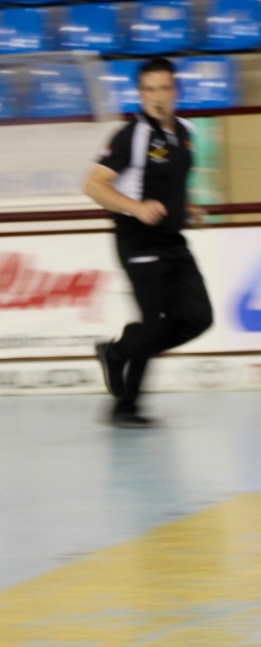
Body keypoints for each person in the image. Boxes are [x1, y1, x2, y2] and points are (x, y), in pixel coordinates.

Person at [86, 57, 213, 428]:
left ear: (176, 90)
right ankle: (127, 406)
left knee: (198, 318)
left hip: (173, 239)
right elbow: (93, 185)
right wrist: (136, 208)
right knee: (153, 319)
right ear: (140, 94)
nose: (158, 97)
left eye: (164, 88)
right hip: (137, 237)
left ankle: (117, 351)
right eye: (149, 90)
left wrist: (187, 207)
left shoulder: (185, 132)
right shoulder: (132, 135)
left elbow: (173, 179)